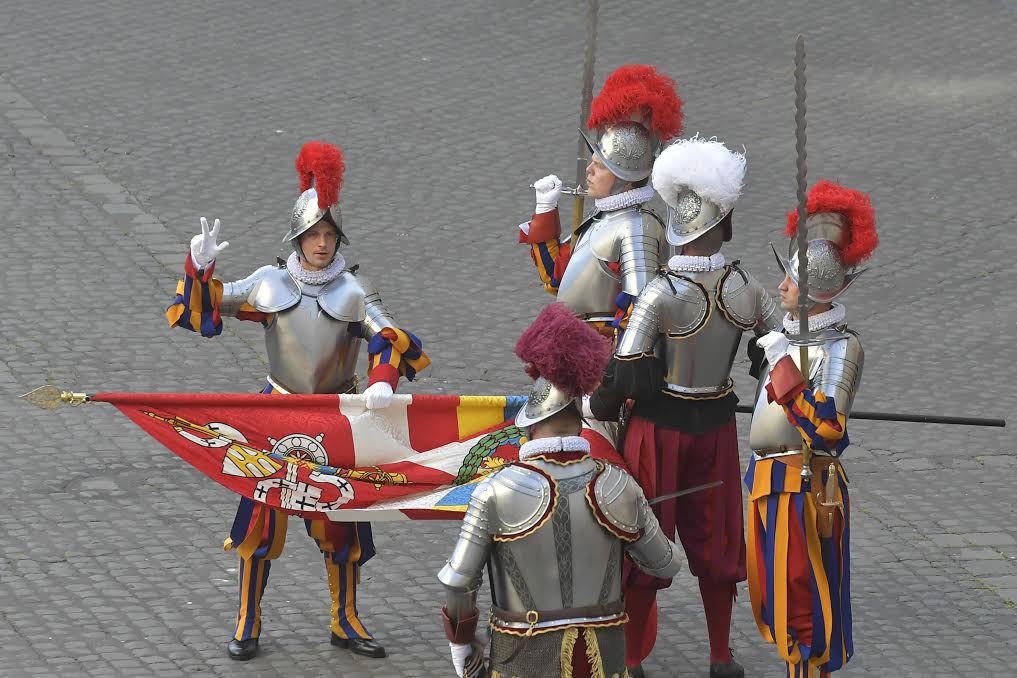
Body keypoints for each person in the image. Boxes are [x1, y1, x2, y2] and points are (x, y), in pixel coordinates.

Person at [166, 141, 430, 661]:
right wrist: (199, 267)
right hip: (277, 412)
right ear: (298, 237)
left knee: (342, 520)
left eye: (330, 235)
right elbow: (204, 311)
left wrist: (381, 379)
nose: (323, 243)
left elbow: (389, 337)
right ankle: (247, 619)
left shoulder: (355, 289)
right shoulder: (271, 283)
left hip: (336, 415)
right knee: (260, 521)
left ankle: (345, 618)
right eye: (314, 234)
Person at [592, 138, 782, 677]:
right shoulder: (747, 286)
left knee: (643, 539)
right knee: (719, 544)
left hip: (658, 432)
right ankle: (720, 656)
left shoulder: (661, 292)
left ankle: (632, 660)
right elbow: (780, 349)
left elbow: (626, 370)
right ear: (723, 225)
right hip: (716, 430)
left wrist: (596, 404)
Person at [438, 303, 682, 678]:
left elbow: (459, 582)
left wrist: (462, 646)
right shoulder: (617, 484)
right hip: (602, 657)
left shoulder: (496, 490)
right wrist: (631, 527)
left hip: (522, 654)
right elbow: (665, 563)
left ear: (532, 425)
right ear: (578, 423)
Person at [745, 180, 878, 678]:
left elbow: (826, 427)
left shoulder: (841, 347)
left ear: (816, 293)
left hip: (803, 485)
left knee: (803, 604)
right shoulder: (787, 337)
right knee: (774, 597)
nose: (781, 287)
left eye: (792, 280)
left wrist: (783, 366)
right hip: (766, 480)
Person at [519, 64, 683, 338]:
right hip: (576, 345)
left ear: (625, 178)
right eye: (593, 162)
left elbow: (642, 310)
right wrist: (545, 210)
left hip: (604, 352)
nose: (589, 170)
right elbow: (557, 280)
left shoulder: (637, 227)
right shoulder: (601, 219)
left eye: (600, 166)